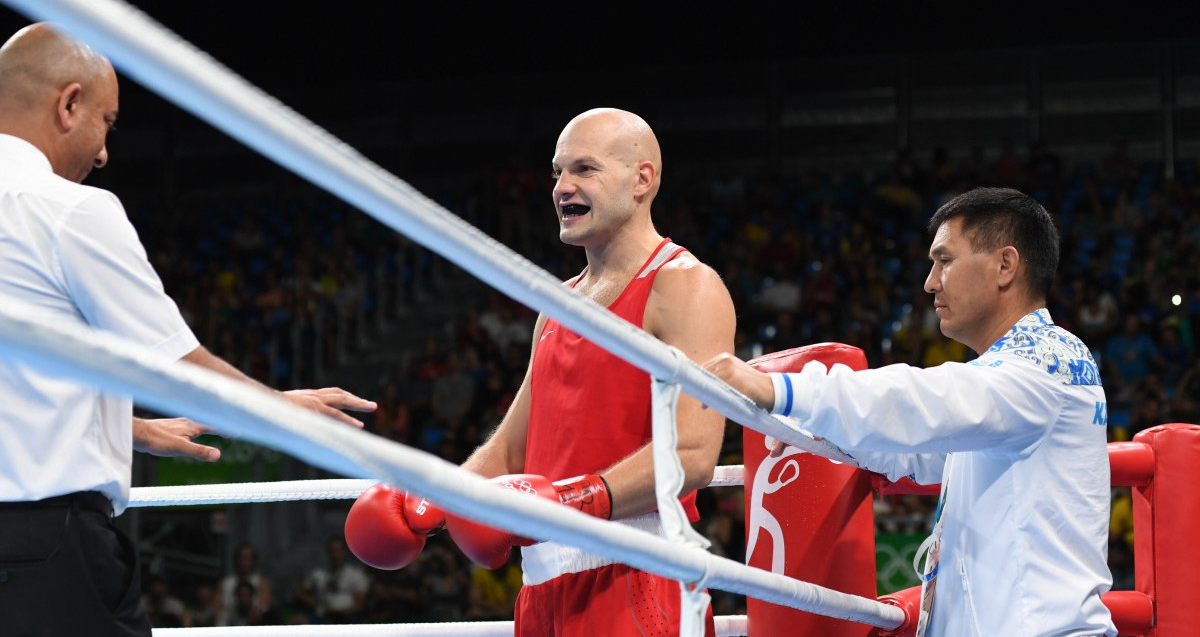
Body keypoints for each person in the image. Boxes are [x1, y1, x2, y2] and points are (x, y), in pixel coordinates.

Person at [0, 22, 376, 637]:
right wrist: (281, 409)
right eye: (106, 122)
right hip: (47, 551)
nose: (103, 153)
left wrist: (127, 428)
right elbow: (175, 367)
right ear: (68, 104)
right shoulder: (68, 208)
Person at [344, 107, 736, 636]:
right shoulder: (558, 304)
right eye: (557, 172)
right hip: (542, 591)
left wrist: (570, 500)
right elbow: (511, 446)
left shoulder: (685, 286)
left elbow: (694, 455)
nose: (562, 186)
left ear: (641, 179)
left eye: (584, 169)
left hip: (638, 575)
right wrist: (438, 498)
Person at [703, 186, 1116, 637]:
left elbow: (920, 400)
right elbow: (919, 454)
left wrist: (781, 390)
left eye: (946, 260)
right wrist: (811, 429)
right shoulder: (1014, 376)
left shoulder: (1045, 363)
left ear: (1005, 265)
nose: (931, 281)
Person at [295, 537, 371, 623]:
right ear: (328, 552)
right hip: (322, 615)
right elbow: (300, 592)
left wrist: (336, 613)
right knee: (297, 621)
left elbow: (359, 605)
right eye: (332, 551)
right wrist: (315, 603)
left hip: (347, 617)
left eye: (339, 551)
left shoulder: (356, 575)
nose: (335, 555)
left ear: (344, 552)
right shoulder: (319, 574)